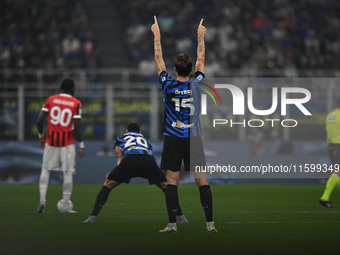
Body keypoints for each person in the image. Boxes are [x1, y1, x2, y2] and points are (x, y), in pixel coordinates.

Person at [151, 16, 217, 233]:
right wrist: (200, 36)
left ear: (175, 70)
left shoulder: (167, 85)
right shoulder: (197, 84)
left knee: (172, 180)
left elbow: (159, 60)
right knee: (202, 180)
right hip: (193, 137)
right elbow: (202, 58)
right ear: (191, 70)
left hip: (173, 136)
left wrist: (157, 36)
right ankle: (210, 225)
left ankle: (172, 225)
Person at [83, 122, 188, 224]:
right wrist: (154, 173)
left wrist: (115, 172)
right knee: (167, 187)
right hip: (148, 161)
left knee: (108, 185)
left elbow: (120, 156)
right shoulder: (145, 140)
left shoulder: (120, 138)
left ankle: (93, 217)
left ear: (126, 131)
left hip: (129, 160)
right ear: (139, 131)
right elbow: (150, 155)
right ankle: (181, 217)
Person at [36, 78, 84, 213]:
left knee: (45, 170)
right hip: (67, 142)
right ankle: (64, 206)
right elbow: (77, 128)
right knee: (68, 172)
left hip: (51, 141)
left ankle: (42, 200)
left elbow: (39, 121)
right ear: (73, 88)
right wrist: (81, 145)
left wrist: (41, 137)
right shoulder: (76, 103)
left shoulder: (50, 100)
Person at [319, 98, 340, 208]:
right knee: (337, 171)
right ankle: (324, 198)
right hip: (338, 144)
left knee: (338, 171)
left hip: (332, 145)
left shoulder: (330, 116)